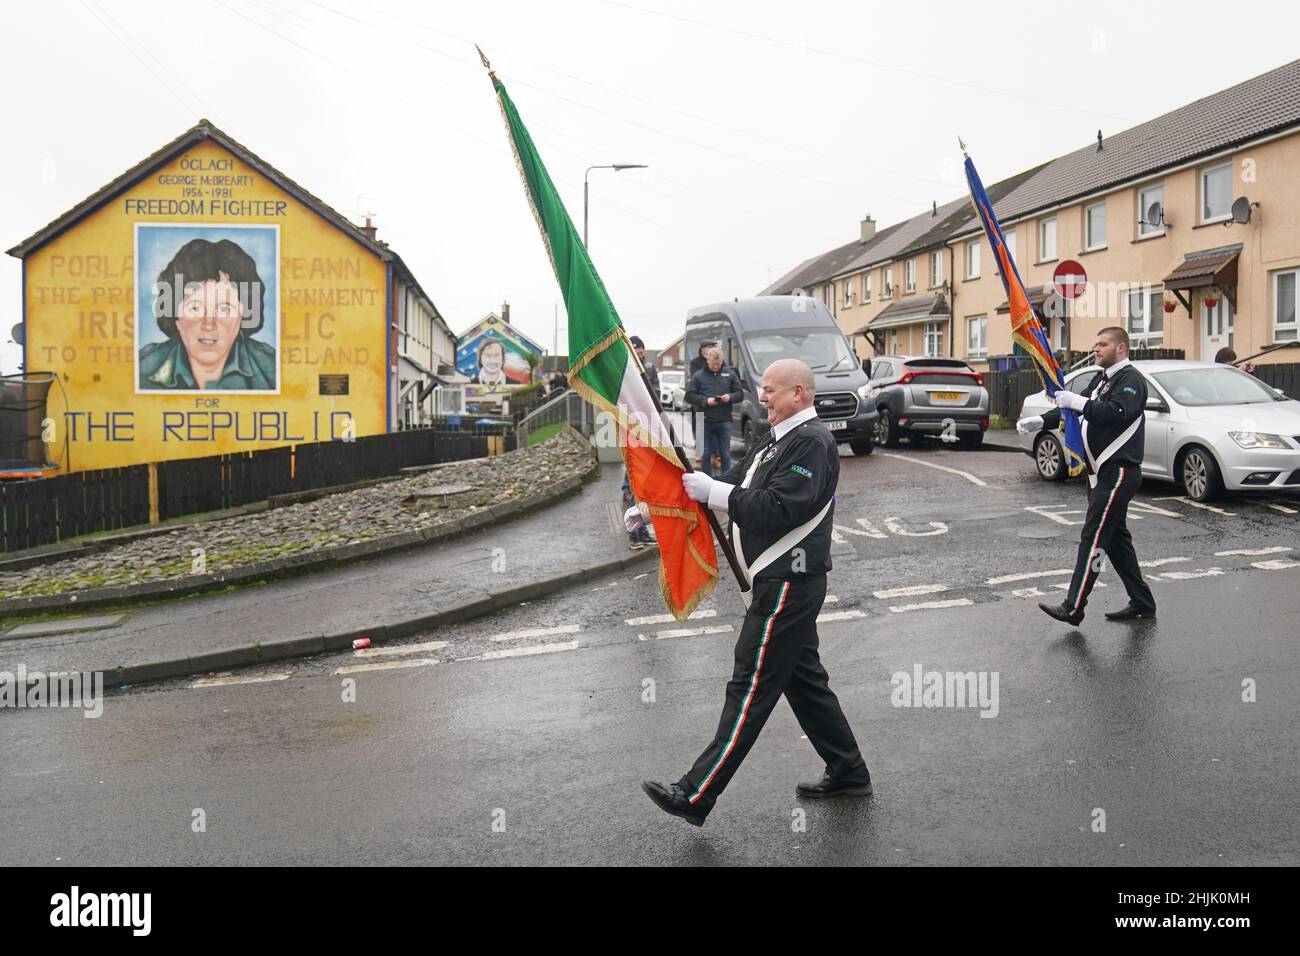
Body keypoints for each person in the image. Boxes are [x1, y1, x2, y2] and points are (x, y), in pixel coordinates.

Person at [635, 358, 871, 827]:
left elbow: (780, 508)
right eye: (763, 389)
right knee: (804, 683)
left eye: (771, 390)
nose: (762, 397)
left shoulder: (814, 444)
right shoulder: (776, 440)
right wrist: (653, 509)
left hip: (789, 583)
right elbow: (727, 486)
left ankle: (696, 793)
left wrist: (715, 493)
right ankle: (848, 771)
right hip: (776, 581)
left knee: (750, 684)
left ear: (799, 393)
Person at [1018, 326, 1157, 625]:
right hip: (1100, 474)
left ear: (1120, 348)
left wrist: (1078, 402)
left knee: (1094, 536)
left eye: (1102, 344)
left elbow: (1116, 412)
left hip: (1119, 472)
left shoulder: (1131, 380)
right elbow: (1073, 410)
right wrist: (1040, 421)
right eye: (1096, 343)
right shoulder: (1101, 379)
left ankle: (1074, 605)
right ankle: (1143, 601)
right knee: (1116, 540)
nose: (1096, 348)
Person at [139, 238, 277, 391]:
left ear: (243, 316)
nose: (209, 324)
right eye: (195, 308)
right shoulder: (140, 368)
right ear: (175, 315)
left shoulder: (274, 370)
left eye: (224, 309)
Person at [685, 347, 741, 477]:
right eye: (713, 364)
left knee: (725, 454)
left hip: (724, 419)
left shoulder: (730, 375)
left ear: (722, 361)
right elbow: (689, 395)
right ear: (707, 361)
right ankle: (707, 480)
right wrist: (706, 401)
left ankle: (726, 480)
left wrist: (730, 397)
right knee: (705, 453)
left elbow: (740, 394)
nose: (715, 367)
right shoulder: (698, 376)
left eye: (718, 364)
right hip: (703, 419)